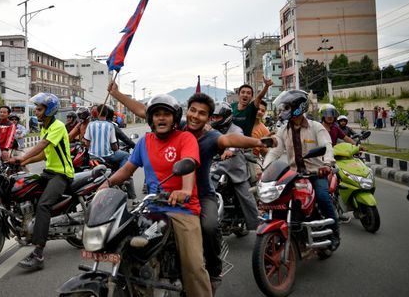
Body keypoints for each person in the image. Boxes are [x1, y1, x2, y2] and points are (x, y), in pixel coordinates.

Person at [108, 82, 269, 292]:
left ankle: (213, 270)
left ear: (209, 119)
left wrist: (258, 142)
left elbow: (231, 139)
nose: (195, 116)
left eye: (202, 114)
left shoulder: (210, 137)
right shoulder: (177, 125)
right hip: (163, 199)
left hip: (199, 195)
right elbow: (144, 110)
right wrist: (116, 93)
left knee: (209, 228)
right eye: (193, 110)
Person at [99, 94, 213, 297]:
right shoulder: (145, 142)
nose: (161, 118)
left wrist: (185, 191)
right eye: (157, 114)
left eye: (166, 114)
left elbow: (188, 163)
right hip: (151, 209)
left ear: (174, 119)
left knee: (193, 266)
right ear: (151, 119)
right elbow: (127, 170)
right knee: (127, 249)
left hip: (182, 210)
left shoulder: (185, 138)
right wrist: (106, 184)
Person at [264, 90, 340, 250]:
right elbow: (275, 151)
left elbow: (327, 146)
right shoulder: (283, 130)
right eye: (284, 107)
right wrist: (266, 169)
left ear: (299, 107)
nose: (284, 110)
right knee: (279, 200)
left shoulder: (316, 127)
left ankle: (334, 233)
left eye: (287, 107)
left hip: (316, 173)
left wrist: (327, 164)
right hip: (294, 176)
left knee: (322, 197)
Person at [10, 93, 74, 270]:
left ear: (50, 110)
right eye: (36, 109)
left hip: (62, 174)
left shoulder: (57, 126)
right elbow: (43, 154)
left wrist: (21, 157)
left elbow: (42, 145)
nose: (36, 112)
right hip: (49, 172)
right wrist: (22, 162)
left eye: (39, 109)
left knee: (43, 205)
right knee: (25, 190)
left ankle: (38, 254)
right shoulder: (45, 126)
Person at [210, 101, 260, 231]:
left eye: (217, 117)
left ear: (226, 117)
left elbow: (236, 142)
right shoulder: (211, 130)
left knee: (247, 198)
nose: (214, 119)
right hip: (216, 168)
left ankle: (256, 228)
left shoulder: (236, 129)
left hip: (234, 169)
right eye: (213, 117)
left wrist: (230, 150)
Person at [83, 104, 135, 199]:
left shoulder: (90, 125)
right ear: (107, 114)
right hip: (107, 157)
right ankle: (121, 176)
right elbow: (114, 145)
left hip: (93, 157)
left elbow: (86, 142)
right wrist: (116, 149)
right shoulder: (110, 125)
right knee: (126, 155)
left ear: (97, 113)